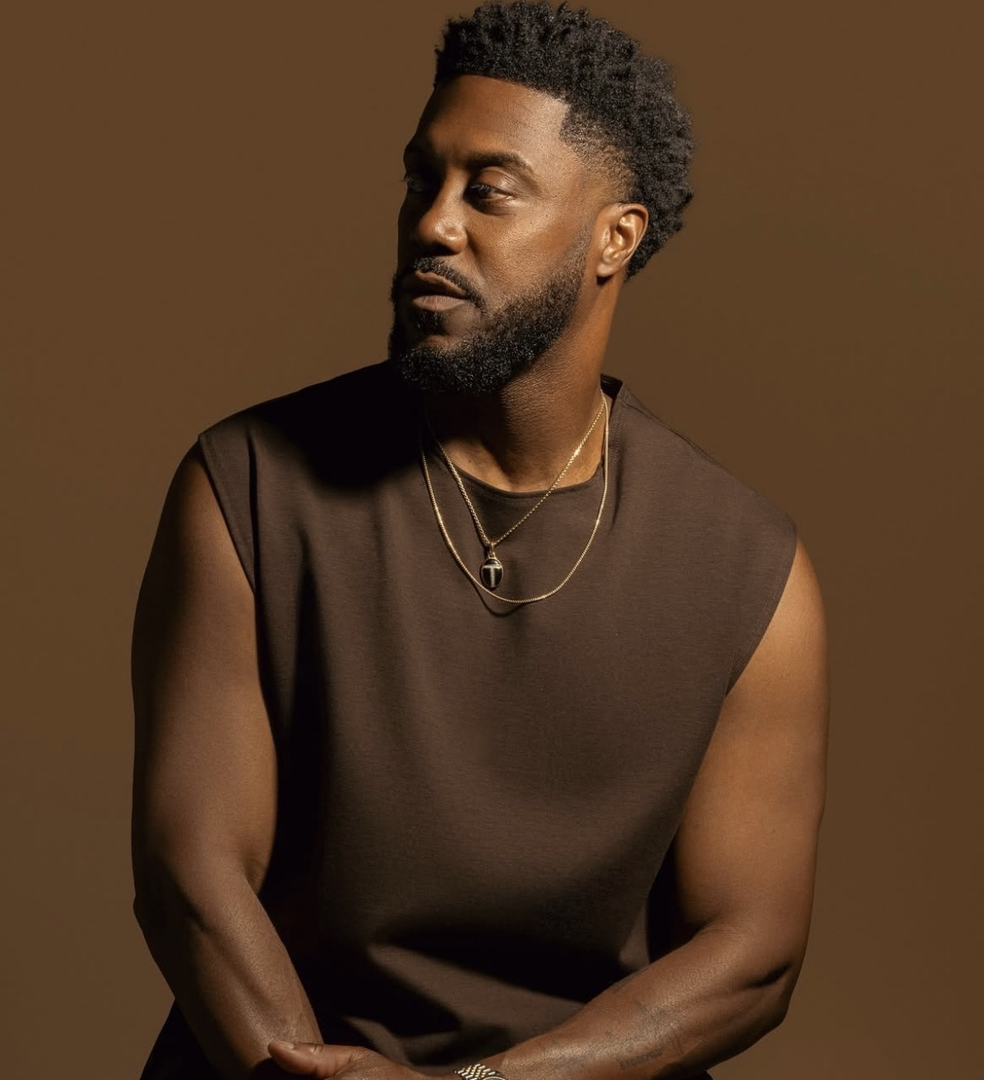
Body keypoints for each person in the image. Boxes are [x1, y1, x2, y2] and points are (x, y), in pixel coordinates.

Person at [130, 3, 829, 1079]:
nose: (433, 223)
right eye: (423, 179)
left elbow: (753, 956)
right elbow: (193, 875)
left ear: (615, 239)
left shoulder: (749, 572)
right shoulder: (249, 488)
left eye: (488, 191)